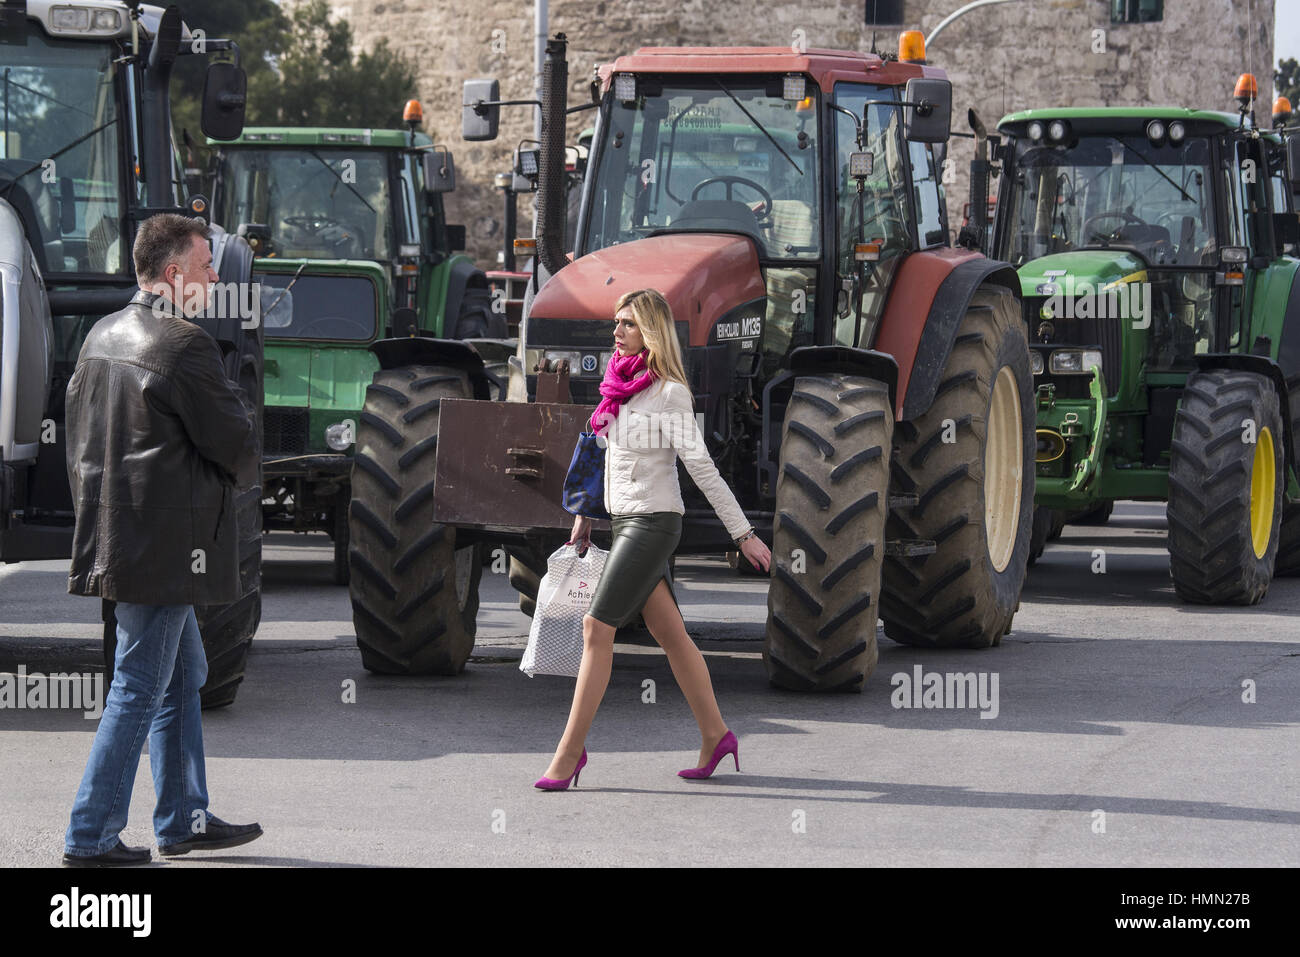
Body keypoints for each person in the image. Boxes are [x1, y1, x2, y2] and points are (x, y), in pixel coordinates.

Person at [61, 213, 263, 866]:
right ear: (174, 273)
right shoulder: (184, 344)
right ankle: (90, 834)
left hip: (120, 540)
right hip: (169, 548)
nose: (213, 276)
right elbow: (235, 441)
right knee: (139, 684)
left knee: (184, 673)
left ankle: (183, 818)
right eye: (207, 265)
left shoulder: (99, 336)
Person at [535, 288, 772, 790]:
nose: (615, 332)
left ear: (652, 332)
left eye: (627, 324)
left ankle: (569, 753)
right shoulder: (618, 388)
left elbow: (702, 468)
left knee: (597, 628)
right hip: (624, 521)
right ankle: (716, 734)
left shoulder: (669, 393)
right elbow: (609, 462)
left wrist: (743, 534)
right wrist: (587, 516)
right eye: (615, 323)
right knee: (671, 636)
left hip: (653, 523)